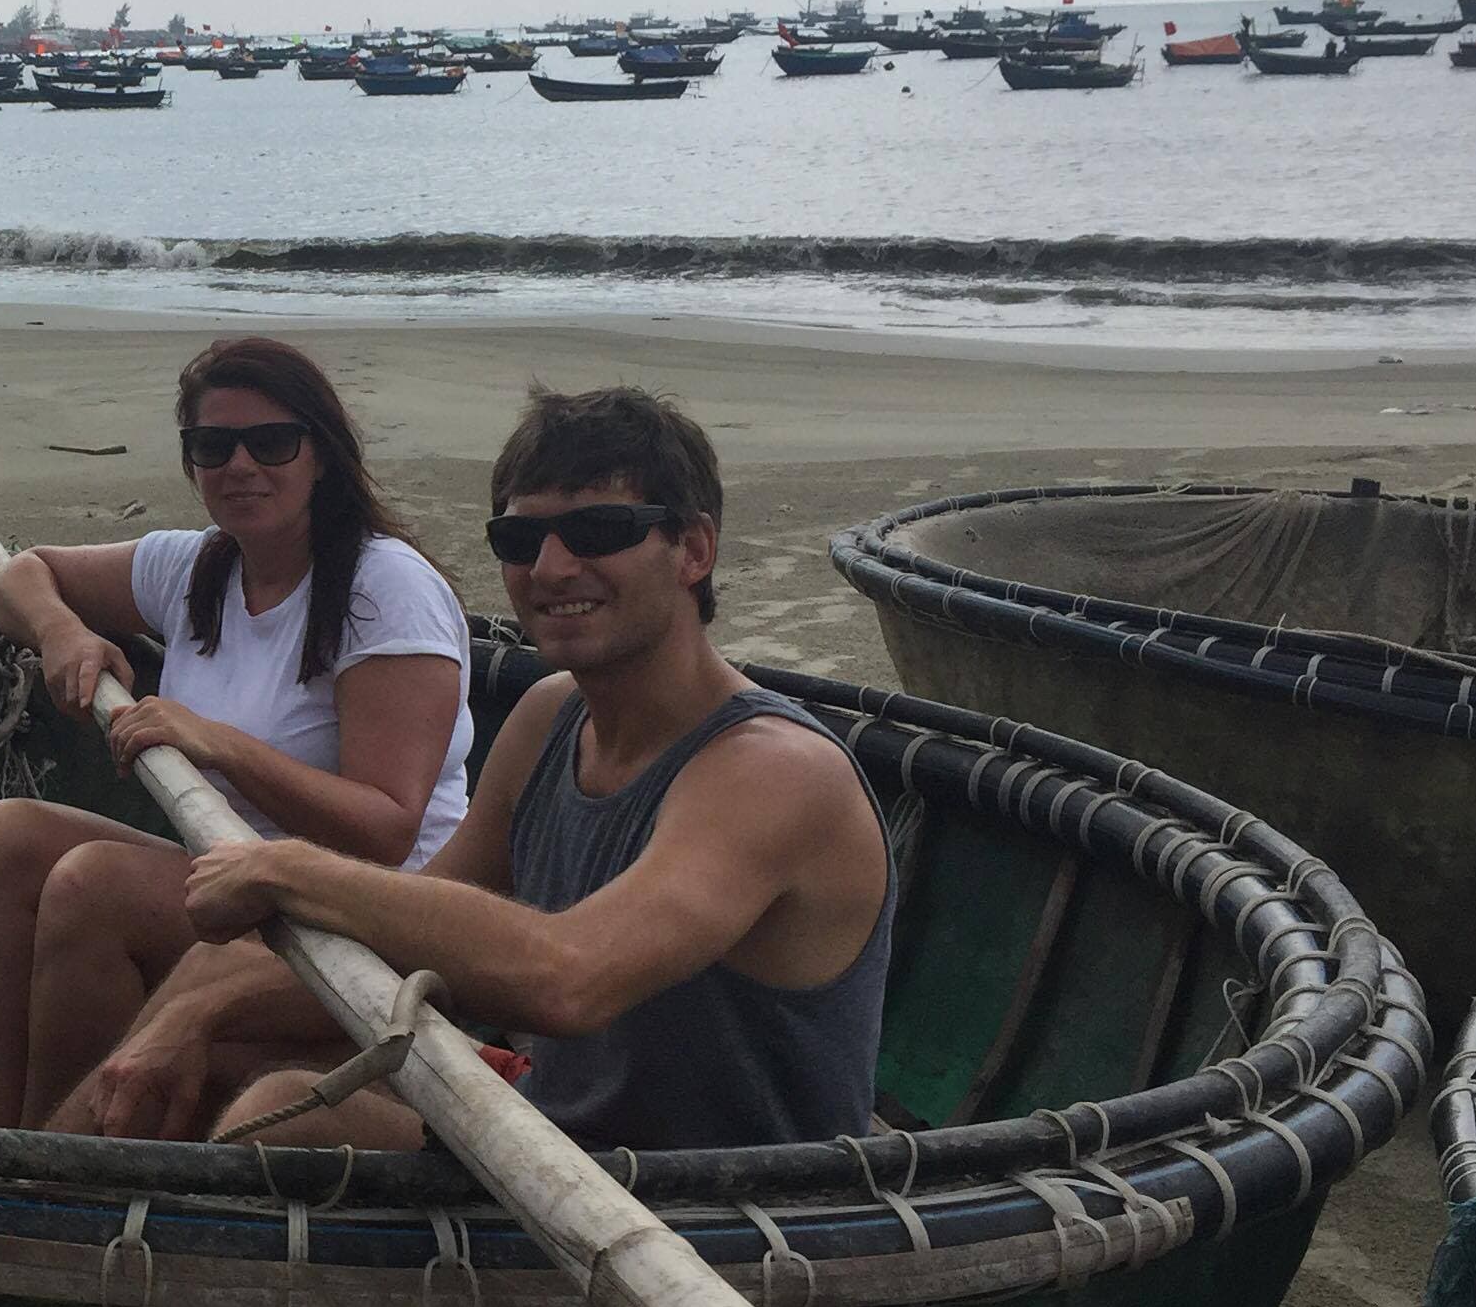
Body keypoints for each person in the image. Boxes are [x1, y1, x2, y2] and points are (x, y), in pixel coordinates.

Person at [59, 382, 890, 1154]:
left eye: (600, 532)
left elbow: (569, 979)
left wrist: (288, 868)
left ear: (694, 550)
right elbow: (421, 949)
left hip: (705, 1208)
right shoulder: (551, 716)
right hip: (556, 1134)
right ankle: (39, 1190)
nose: (554, 568)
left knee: (281, 1123)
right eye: (521, 539)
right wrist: (204, 1008)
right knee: (216, 980)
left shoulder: (772, 774)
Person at [0, 336, 475, 1131]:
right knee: (1, 841)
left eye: (271, 443)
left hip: (366, 920)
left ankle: (56, 1160)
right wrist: (61, 633)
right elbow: (19, 575)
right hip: (236, 884)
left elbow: (386, 831)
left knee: (92, 885)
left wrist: (217, 742)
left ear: (321, 456)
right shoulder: (195, 566)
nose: (240, 465)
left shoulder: (383, 587)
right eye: (211, 445)